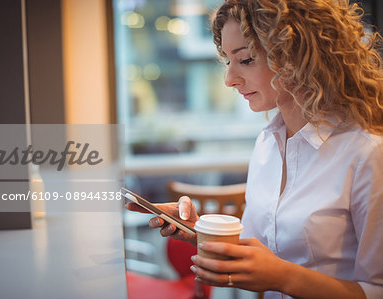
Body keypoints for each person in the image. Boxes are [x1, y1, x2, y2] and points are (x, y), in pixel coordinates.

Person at [126, 0, 383, 298]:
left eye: (246, 59)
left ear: (297, 56)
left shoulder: (368, 154)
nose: (229, 79)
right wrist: (198, 231)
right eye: (227, 61)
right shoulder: (267, 144)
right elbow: (256, 249)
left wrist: (285, 277)